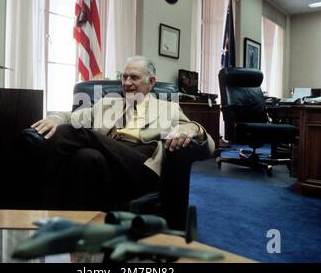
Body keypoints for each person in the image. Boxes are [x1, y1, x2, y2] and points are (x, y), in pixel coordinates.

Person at [30, 56, 215, 211]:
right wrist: (55, 119)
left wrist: (193, 128)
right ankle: (83, 231)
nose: (127, 83)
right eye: (124, 77)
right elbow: (71, 117)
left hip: (141, 162)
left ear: (151, 82)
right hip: (106, 157)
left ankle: (42, 210)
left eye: (134, 77)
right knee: (86, 157)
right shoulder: (107, 104)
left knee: (78, 133)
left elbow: (209, 147)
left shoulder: (168, 109)